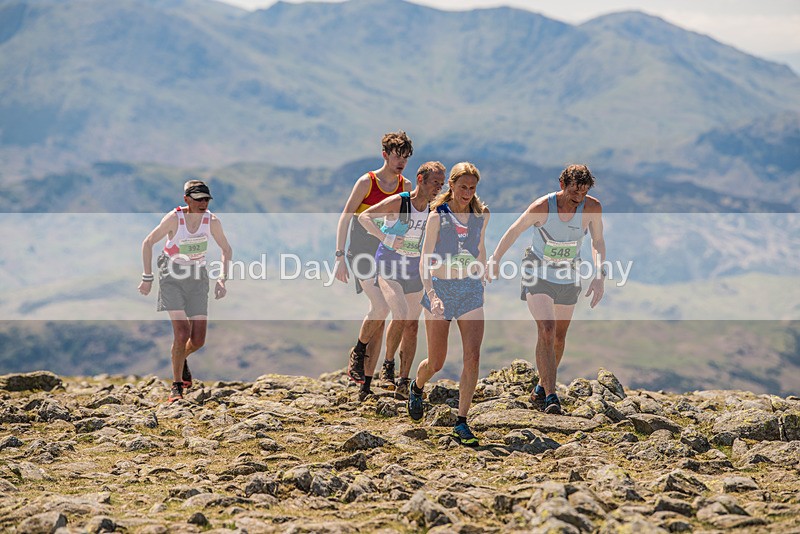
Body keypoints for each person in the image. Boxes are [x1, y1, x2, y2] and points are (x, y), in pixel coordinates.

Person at [487, 164, 605, 415]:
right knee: (547, 329)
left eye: (583, 193)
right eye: (574, 192)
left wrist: (599, 273)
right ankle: (551, 396)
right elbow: (514, 230)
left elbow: (597, 241)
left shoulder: (592, 208)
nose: (578, 198)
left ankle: (541, 386)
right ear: (562, 185)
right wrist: (495, 259)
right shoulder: (542, 207)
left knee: (559, 337)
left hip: (568, 274)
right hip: (537, 272)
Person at [407, 162, 490, 447]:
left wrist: (483, 272)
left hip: (469, 290)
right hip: (440, 290)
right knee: (436, 362)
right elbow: (424, 259)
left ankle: (461, 422)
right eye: (463, 187)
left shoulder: (481, 215)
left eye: (472, 188)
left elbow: (480, 248)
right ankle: (417, 386)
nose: (467, 193)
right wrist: (432, 294)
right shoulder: (437, 217)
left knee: (472, 356)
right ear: (451, 185)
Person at [334, 131, 413, 400]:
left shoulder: (405, 185)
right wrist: (339, 256)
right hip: (361, 251)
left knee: (379, 317)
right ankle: (358, 350)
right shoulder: (367, 182)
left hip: (387, 253)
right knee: (381, 307)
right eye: (397, 156)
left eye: (405, 157)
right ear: (385, 155)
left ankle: (365, 385)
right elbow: (345, 217)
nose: (401, 162)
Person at [357, 161, 446, 400]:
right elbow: (365, 217)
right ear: (420, 179)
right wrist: (385, 237)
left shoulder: (435, 209)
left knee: (412, 326)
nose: (438, 188)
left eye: (441, 184)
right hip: (389, 266)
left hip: (415, 270)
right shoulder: (401, 201)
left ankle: (403, 382)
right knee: (400, 313)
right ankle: (387, 366)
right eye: (435, 182)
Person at [138, 180, 233, 402]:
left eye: (206, 199)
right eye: (198, 199)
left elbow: (226, 249)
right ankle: (177, 386)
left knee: (198, 340)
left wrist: (222, 279)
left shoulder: (212, 221)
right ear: (187, 200)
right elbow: (148, 243)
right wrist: (147, 277)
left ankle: (179, 357)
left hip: (198, 277)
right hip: (172, 275)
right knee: (182, 333)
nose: (203, 203)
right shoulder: (174, 219)